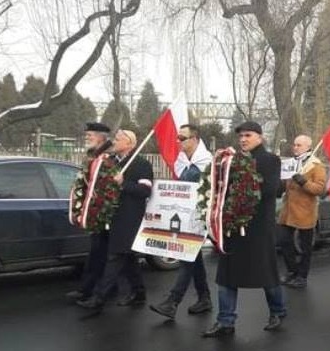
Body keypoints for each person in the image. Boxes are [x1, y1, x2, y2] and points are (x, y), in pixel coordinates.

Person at [203, 121, 285, 337]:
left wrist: (242, 186)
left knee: (266, 272)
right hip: (232, 224)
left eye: (248, 135)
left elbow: (269, 190)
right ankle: (225, 321)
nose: (243, 139)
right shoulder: (232, 160)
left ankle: (277, 311)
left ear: (260, 137)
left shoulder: (269, 160)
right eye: (240, 136)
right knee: (227, 274)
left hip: (258, 227)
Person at [77, 130, 154, 309]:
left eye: (118, 139)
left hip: (129, 217)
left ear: (129, 144)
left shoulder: (141, 164)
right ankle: (139, 293)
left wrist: (123, 183)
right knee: (128, 257)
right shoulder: (112, 162)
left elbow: (145, 191)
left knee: (115, 256)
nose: (114, 142)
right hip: (111, 216)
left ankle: (99, 298)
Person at [149, 124, 214, 319]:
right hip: (185, 216)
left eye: (182, 138)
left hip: (199, 217)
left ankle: (172, 302)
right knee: (192, 257)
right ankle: (204, 298)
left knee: (187, 257)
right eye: (178, 137)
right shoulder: (182, 161)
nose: (178, 141)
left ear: (194, 139)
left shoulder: (207, 162)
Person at [66, 122, 114, 301]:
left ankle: (95, 291)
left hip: (103, 214)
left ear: (101, 137)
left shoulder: (107, 158)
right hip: (94, 212)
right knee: (97, 253)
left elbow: (108, 187)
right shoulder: (93, 156)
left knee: (100, 254)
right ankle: (91, 289)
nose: (87, 138)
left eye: (90, 135)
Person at [277, 134, 327, 289]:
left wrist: (304, 181)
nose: (295, 147)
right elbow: (284, 186)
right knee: (284, 241)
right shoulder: (290, 163)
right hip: (288, 211)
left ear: (308, 147)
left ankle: (302, 276)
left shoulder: (316, 165)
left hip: (306, 212)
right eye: (294, 144)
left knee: (305, 248)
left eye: (299, 145)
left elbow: (320, 189)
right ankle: (292, 270)